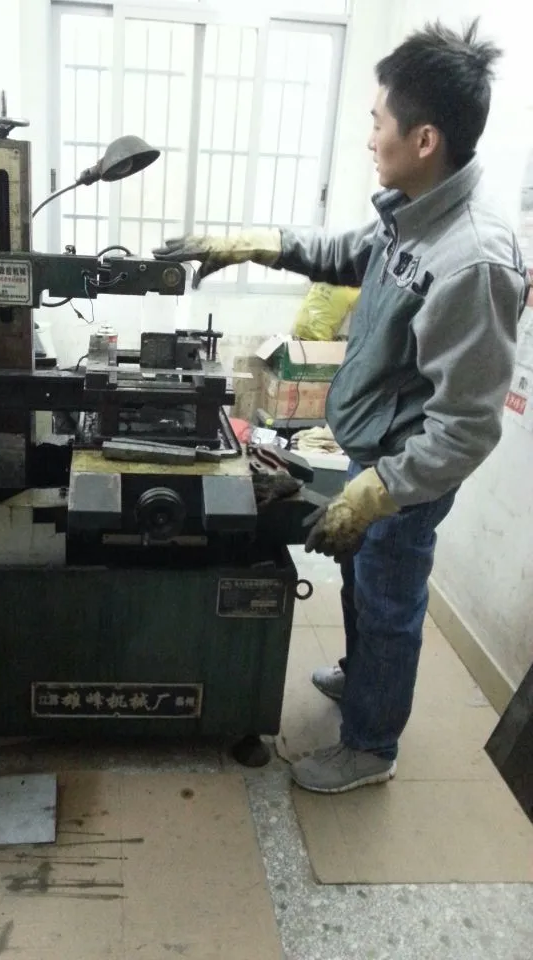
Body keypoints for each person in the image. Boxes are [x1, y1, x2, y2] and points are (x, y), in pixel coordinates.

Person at [153, 20, 529, 794]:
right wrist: (251, 243)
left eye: (377, 121)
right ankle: (364, 679)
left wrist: (376, 491)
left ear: (424, 139)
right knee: (362, 578)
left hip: (404, 472)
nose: (369, 137)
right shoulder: (411, 214)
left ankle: (370, 746)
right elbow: (343, 254)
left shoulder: (473, 261)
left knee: (389, 598)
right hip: (373, 451)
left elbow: (467, 428)